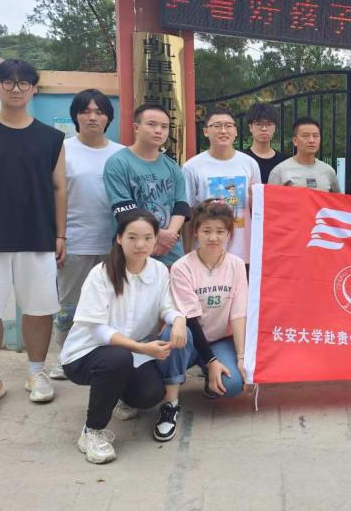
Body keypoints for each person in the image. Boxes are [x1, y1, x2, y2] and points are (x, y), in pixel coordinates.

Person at [60, 209, 191, 463]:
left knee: (150, 394)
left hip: (129, 353)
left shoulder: (159, 271)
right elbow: (98, 330)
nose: (140, 244)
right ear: (119, 238)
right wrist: (142, 349)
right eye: (132, 237)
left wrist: (179, 319)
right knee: (117, 358)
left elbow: (167, 307)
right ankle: (92, 431)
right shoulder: (101, 274)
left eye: (148, 238)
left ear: (156, 239)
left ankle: (117, 394)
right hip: (85, 355)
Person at [0, 59, 65, 417]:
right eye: (8, 82)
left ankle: (36, 373)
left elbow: (59, 187)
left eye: (24, 82)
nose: (16, 88)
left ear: (33, 89)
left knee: (40, 308)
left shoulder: (51, 138)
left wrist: (60, 233)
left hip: (37, 233)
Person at [50, 89, 125, 380]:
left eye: (99, 111)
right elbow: (52, 195)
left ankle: (102, 356)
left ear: (108, 118)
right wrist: (58, 237)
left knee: (110, 304)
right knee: (69, 306)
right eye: (86, 111)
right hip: (74, 241)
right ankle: (64, 357)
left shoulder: (121, 154)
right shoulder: (61, 150)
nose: (92, 117)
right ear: (76, 116)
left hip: (113, 243)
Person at [160, 199, 249, 421]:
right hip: (189, 338)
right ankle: (170, 402)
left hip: (219, 340)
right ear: (196, 232)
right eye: (206, 231)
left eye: (220, 231)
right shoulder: (182, 267)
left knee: (232, 384)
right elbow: (190, 318)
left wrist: (241, 357)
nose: (213, 237)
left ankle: (211, 378)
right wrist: (212, 361)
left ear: (229, 233)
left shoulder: (237, 265)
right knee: (172, 334)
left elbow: (238, 314)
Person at [103, 104, 190, 266]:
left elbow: (181, 205)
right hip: (133, 253)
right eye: (152, 124)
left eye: (164, 127)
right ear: (136, 127)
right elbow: (123, 209)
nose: (159, 130)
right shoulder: (118, 163)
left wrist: (169, 235)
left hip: (170, 252)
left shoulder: (172, 166)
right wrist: (156, 235)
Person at [183, 107, 261, 267]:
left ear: (236, 131)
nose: (223, 130)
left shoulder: (249, 164)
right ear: (206, 131)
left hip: (243, 253)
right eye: (217, 126)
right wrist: (187, 252)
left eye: (228, 125)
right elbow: (187, 213)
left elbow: (258, 208)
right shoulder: (192, 167)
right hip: (206, 253)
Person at [268, 117, 340, 192]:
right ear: (295, 141)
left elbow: (336, 198)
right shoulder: (280, 171)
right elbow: (271, 198)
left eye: (315, 136)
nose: (311, 140)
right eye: (305, 136)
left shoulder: (328, 171)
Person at [243, 103, 287, 183]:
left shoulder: (284, 161)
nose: (264, 128)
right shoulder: (242, 158)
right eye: (258, 124)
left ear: (275, 127)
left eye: (269, 124)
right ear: (250, 127)